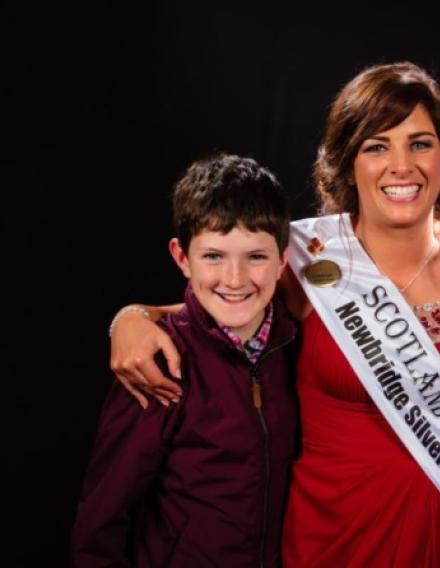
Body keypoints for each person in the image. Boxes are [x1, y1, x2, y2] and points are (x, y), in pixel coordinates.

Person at [106, 62, 440, 567]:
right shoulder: (309, 254)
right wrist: (132, 317)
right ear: (349, 163)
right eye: (376, 146)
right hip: (328, 534)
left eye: (420, 143)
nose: (402, 165)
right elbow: (222, 309)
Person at [71, 153, 297, 567]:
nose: (234, 279)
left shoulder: (294, 345)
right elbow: (101, 519)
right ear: (181, 258)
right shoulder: (156, 364)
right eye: (213, 256)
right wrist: (130, 316)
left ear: (283, 259)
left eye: (256, 257)